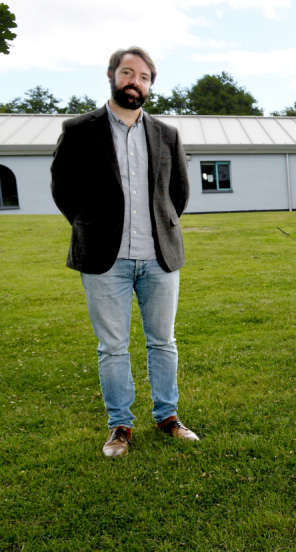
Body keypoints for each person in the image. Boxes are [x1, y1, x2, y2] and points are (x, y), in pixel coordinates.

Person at [51, 47, 196, 458]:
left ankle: (168, 417)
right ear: (112, 75)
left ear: (150, 84)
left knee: (163, 341)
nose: (136, 81)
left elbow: (178, 194)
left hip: (159, 259)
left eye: (144, 76)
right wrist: (89, 226)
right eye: (128, 73)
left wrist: (160, 228)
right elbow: (63, 188)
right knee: (112, 347)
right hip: (103, 260)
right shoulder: (80, 130)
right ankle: (120, 425)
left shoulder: (167, 134)